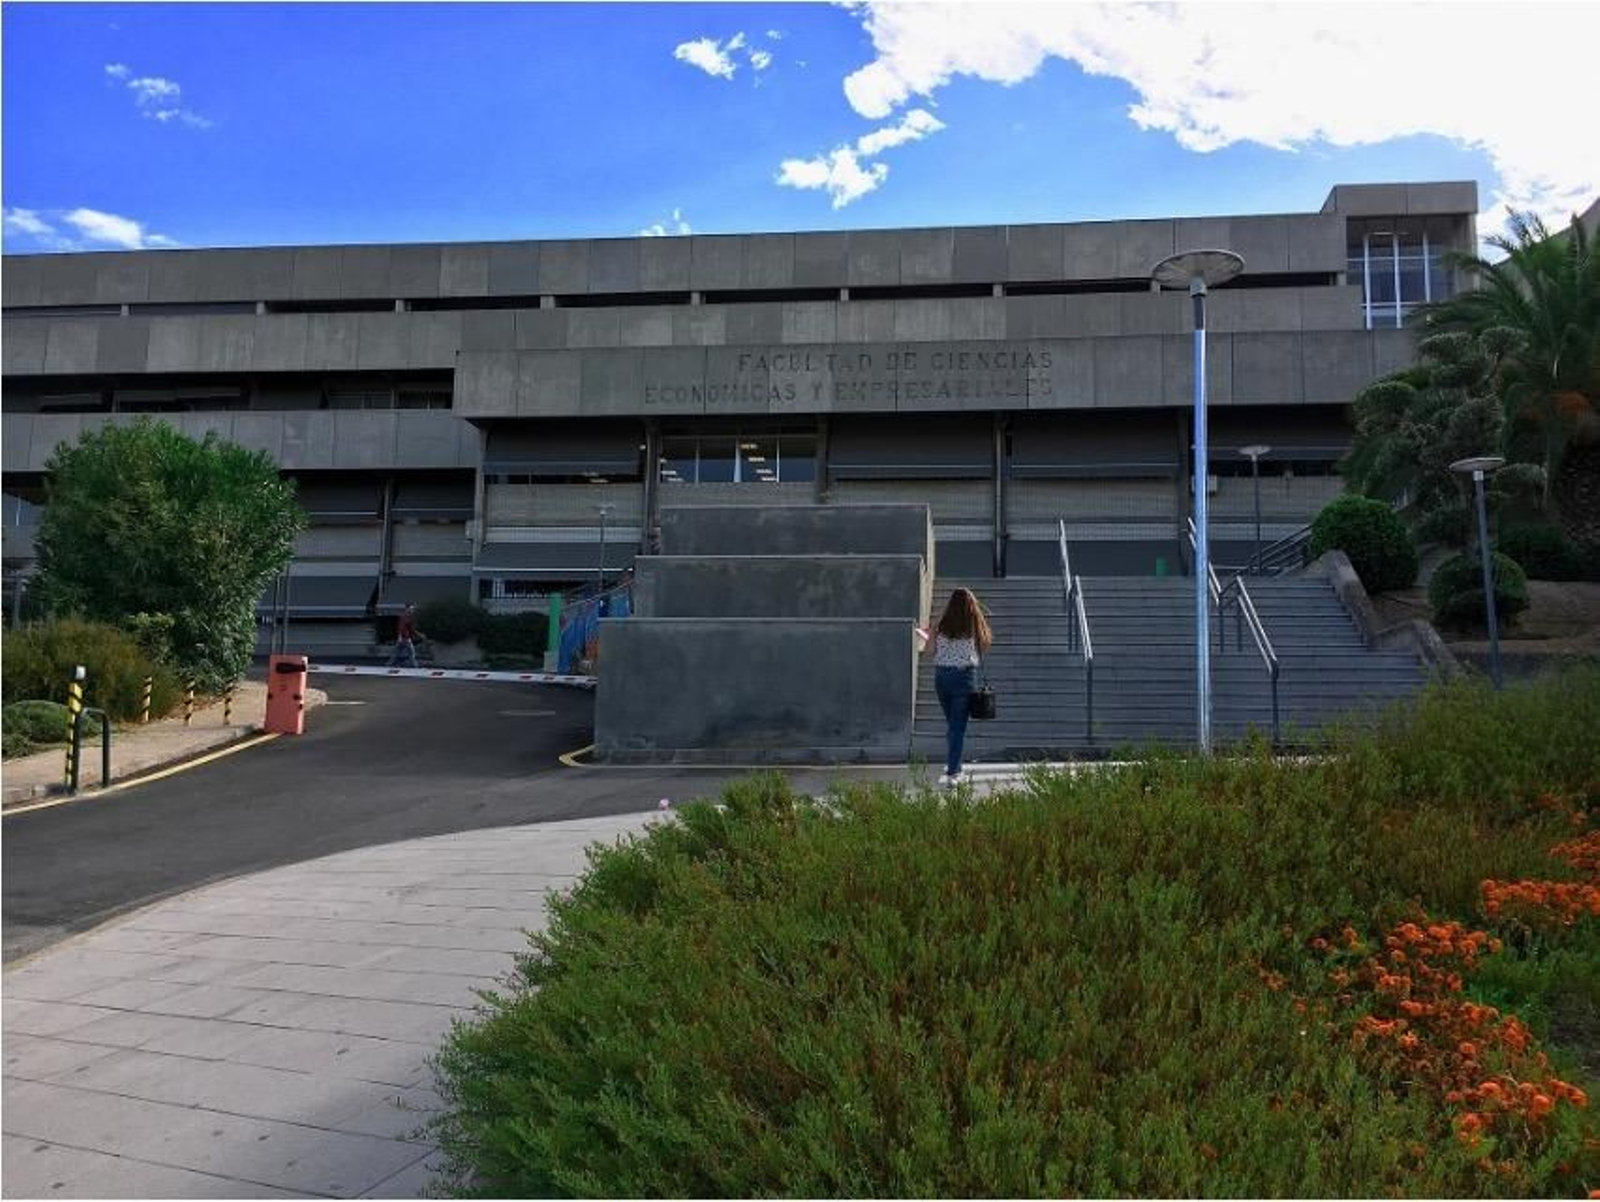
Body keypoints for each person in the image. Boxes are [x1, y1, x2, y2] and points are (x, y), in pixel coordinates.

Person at [919, 587, 992, 785]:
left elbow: (927, 652)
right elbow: (985, 644)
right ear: (971, 605)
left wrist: (931, 635)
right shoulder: (974, 624)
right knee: (957, 727)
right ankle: (953, 772)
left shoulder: (940, 625)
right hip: (964, 677)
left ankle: (954, 764)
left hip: (942, 677)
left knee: (953, 725)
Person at [388, 603, 423, 668]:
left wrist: (418, 634)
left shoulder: (409, 617)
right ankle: (415, 666)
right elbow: (400, 627)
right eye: (411, 609)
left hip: (406, 638)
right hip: (405, 638)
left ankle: (390, 664)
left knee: (397, 653)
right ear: (406, 609)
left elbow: (412, 629)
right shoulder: (403, 617)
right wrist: (399, 636)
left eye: (412, 609)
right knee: (411, 653)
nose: (412, 610)